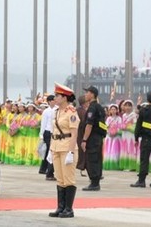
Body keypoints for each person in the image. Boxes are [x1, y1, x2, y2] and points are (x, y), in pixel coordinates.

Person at [48, 83, 80, 218]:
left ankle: (69, 209)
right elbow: (53, 131)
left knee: (68, 179)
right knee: (60, 179)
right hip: (56, 147)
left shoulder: (71, 112)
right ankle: (60, 207)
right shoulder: (56, 112)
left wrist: (71, 152)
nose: (55, 98)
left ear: (65, 97)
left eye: (57, 95)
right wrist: (50, 150)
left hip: (67, 147)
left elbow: (74, 134)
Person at [131, 90, 151, 188]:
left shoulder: (143, 111)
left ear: (147, 99)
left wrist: (136, 138)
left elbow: (138, 126)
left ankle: (141, 180)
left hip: (146, 138)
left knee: (144, 159)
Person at [81, 86, 106, 191]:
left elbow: (89, 125)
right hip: (99, 137)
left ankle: (94, 182)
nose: (85, 95)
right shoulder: (100, 107)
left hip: (92, 137)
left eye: (87, 93)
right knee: (97, 159)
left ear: (92, 94)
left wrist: (84, 140)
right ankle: (96, 181)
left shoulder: (92, 107)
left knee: (92, 159)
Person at [39, 95, 57, 179]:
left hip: (55, 132)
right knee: (50, 151)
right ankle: (48, 171)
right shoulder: (46, 111)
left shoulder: (57, 109)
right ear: (49, 101)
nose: (55, 101)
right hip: (47, 132)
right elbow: (43, 123)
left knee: (49, 151)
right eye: (53, 100)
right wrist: (41, 134)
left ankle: (44, 169)